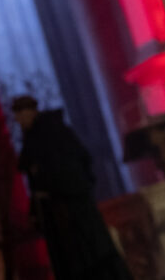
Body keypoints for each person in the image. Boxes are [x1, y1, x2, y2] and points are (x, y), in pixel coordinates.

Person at [12, 95, 132, 279]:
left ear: (29, 112)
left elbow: (68, 171)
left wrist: (50, 187)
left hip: (71, 212)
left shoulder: (52, 135)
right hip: (63, 212)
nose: (19, 120)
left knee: (87, 258)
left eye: (21, 114)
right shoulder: (38, 139)